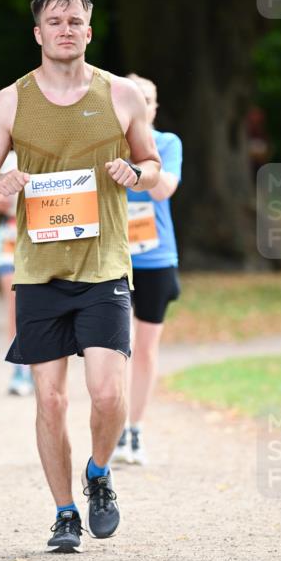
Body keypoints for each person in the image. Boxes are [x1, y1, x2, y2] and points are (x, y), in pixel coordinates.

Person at [0, 0, 161, 552]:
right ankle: (65, 512)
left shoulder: (122, 95)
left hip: (103, 266)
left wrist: (136, 174)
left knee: (105, 395)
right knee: (49, 399)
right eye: (55, 22)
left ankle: (99, 473)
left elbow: (151, 164)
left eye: (75, 21)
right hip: (39, 272)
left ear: (89, 31)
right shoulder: (11, 101)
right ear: (38, 33)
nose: (66, 30)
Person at [112, 73, 182, 466]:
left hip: (155, 258)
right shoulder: (105, 142)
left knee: (145, 349)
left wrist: (142, 159)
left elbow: (164, 189)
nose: (143, 104)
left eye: (148, 99)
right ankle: (114, 425)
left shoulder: (167, 143)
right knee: (113, 349)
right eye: (134, 98)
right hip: (112, 258)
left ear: (154, 107)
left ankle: (135, 429)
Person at [0, 149, 33, 396]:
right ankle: (19, 366)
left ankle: (42, 366)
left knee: (43, 306)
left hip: (42, 235)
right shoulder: (7, 158)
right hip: (10, 232)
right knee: (15, 305)